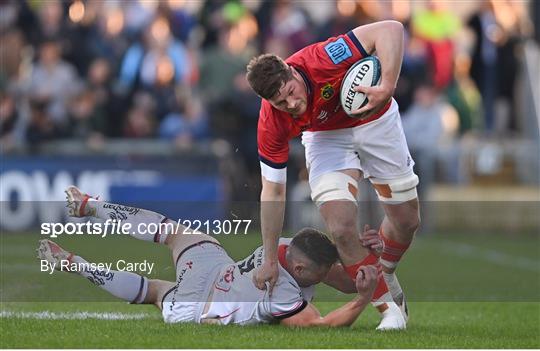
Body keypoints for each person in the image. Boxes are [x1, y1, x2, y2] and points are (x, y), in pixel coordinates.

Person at [246, 20, 420, 329]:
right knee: (340, 228)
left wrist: (388, 85)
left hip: (376, 120)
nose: (292, 104)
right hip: (325, 138)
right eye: (280, 103)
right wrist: (270, 259)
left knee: (406, 221)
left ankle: (386, 270)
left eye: (291, 92)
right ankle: (389, 310)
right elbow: (272, 192)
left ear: (292, 71)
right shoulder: (271, 121)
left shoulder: (323, 57)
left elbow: (391, 29)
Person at [37, 186, 379, 327]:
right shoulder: (287, 295)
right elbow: (321, 326)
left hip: (214, 270)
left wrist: (367, 263)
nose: (327, 278)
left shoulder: (284, 244)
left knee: (173, 232)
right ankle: (75, 265)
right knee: (155, 291)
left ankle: (90, 206)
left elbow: (342, 281)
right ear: (301, 267)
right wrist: (364, 299)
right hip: (200, 309)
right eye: (321, 274)